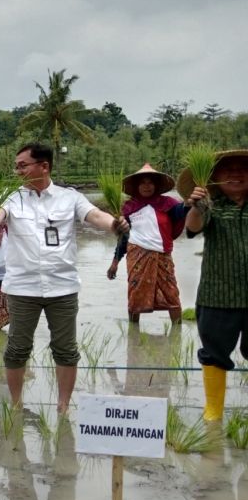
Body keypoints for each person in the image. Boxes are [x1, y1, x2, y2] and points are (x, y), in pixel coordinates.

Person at [0, 143, 127, 413]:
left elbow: (95, 215)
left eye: (22, 165)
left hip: (62, 288)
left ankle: (63, 406)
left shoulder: (70, 197)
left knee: (65, 349)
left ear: (44, 166)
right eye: (16, 166)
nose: (17, 171)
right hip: (22, 288)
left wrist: (114, 225)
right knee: (17, 349)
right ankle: (16, 405)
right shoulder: (11, 197)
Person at [180, 149, 248, 422]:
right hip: (218, 295)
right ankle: (213, 412)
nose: (235, 174)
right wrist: (197, 206)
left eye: (242, 168)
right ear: (213, 178)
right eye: (226, 169)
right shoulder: (211, 205)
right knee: (214, 354)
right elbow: (193, 228)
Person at [106, 164, 187, 324]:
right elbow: (123, 238)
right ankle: (133, 333)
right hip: (137, 256)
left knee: (172, 294)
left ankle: (177, 335)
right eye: (143, 183)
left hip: (163, 256)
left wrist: (191, 202)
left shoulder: (168, 204)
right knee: (135, 294)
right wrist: (115, 262)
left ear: (156, 185)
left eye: (150, 182)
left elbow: (181, 212)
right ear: (137, 186)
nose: (147, 186)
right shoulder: (129, 208)